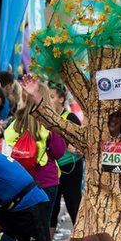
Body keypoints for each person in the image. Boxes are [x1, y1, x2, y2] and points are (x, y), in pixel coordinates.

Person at [0, 80, 65, 241]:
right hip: (47, 180)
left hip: (21, 180)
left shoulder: (17, 121)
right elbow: (59, 152)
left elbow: (6, 146)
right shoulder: (51, 122)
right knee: (42, 224)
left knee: (16, 215)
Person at [49, 87, 83, 233]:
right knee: (52, 209)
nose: (48, 101)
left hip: (70, 167)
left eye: (51, 97)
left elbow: (82, 145)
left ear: (61, 99)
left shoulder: (70, 118)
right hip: (51, 170)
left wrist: (72, 148)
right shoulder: (46, 118)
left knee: (73, 205)